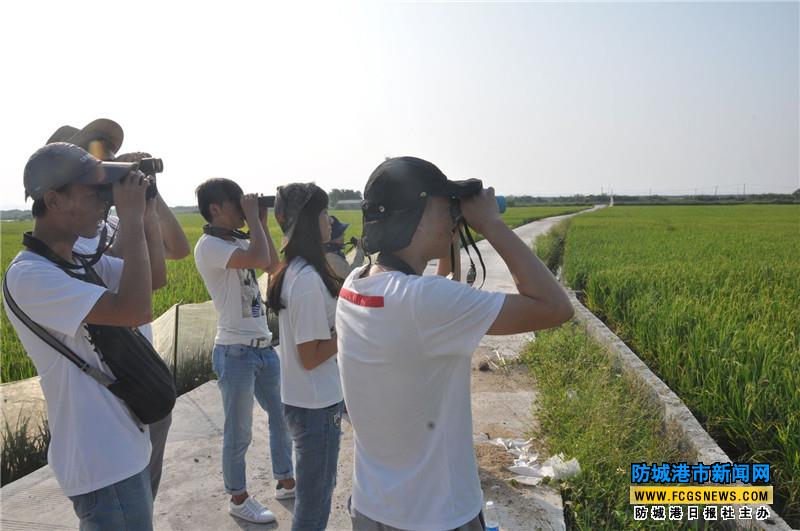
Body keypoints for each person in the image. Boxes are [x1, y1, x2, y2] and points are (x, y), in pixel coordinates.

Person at [337, 157, 574, 531]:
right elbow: (555, 308)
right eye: (444, 205)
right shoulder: (423, 302)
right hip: (436, 515)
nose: (453, 216)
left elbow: (440, 290)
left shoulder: (356, 283)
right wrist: (491, 224)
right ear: (415, 212)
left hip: (373, 507)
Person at [3, 142, 167, 530]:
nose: (103, 203)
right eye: (94, 193)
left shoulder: (74, 261)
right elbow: (134, 309)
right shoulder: (30, 275)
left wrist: (144, 216)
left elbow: (154, 279)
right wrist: (127, 218)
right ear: (54, 200)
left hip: (124, 445)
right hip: (101, 463)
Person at [46, 119, 190, 500]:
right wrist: (131, 215)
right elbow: (131, 292)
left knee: (143, 498)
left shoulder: (109, 221)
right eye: (99, 166)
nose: (108, 173)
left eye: (110, 165)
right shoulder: (70, 243)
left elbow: (177, 249)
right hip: (108, 399)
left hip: (142, 376)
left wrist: (149, 195)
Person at [193, 178, 294, 525]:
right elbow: (258, 256)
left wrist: (260, 223)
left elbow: (270, 265)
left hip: (263, 347)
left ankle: (286, 480)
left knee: (282, 418)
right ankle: (238, 497)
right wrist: (254, 220)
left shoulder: (236, 240)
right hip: (235, 350)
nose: (241, 209)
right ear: (215, 209)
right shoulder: (209, 246)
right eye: (236, 204)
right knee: (240, 430)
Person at [267, 183, 344, 531]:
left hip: (305, 399)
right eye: (324, 214)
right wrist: (347, 332)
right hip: (316, 404)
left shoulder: (294, 268)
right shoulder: (309, 280)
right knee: (314, 503)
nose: (330, 220)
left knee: (314, 495)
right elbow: (311, 355)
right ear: (312, 221)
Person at [324, 215, 365, 279]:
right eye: (341, 233)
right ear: (333, 237)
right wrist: (360, 250)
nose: (344, 235)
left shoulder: (332, 252)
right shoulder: (330, 257)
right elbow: (351, 275)